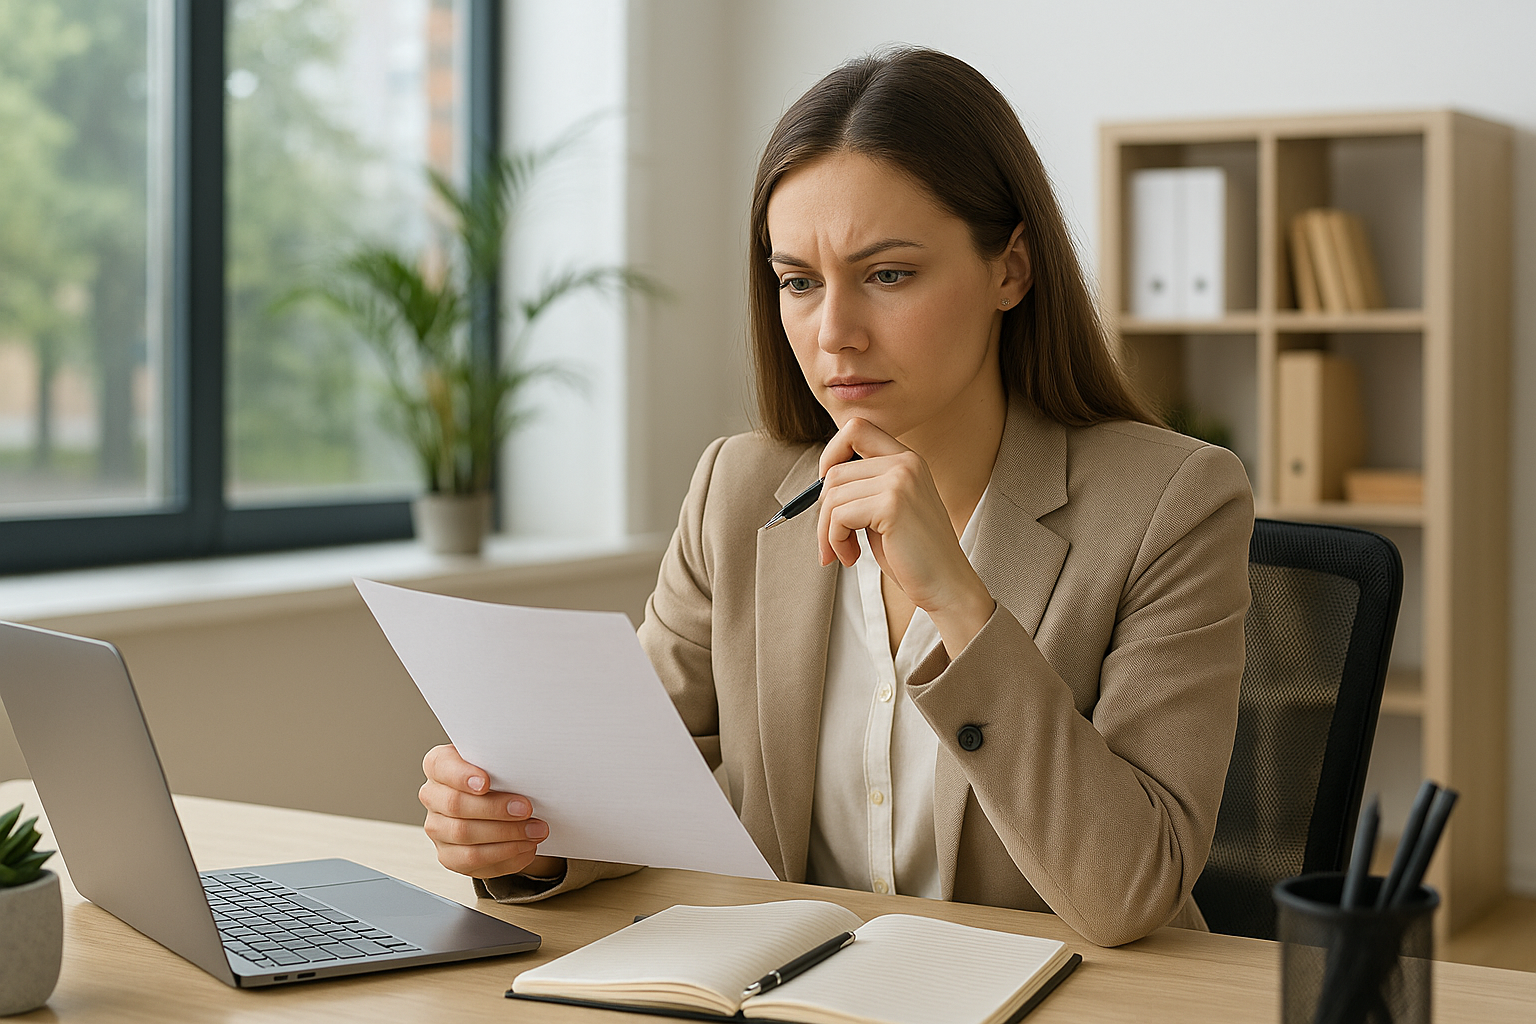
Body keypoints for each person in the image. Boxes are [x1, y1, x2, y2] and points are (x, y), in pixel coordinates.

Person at [417, 46, 1253, 947]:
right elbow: (650, 780)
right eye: (799, 283)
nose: (834, 334)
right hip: (789, 990)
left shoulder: (1173, 501)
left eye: (888, 275)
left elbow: (1131, 890)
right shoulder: (736, 490)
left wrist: (962, 607)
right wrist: (525, 838)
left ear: (1011, 269)